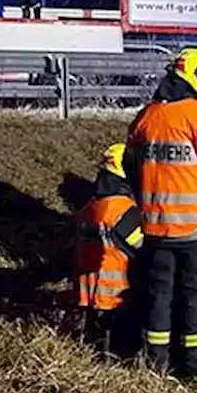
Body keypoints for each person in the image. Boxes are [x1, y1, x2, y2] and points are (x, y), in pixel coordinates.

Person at [123, 47, 197, 377]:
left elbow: (130, 166)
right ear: (196, 82)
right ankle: (193, 370)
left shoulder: (146, 117)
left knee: (159, 296)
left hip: (156, 228)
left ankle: (155, 366)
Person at [73, 143, 143, 356]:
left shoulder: (89, 207)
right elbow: (145, 249)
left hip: (87, 293)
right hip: (117, 295)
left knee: (90, 345)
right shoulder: (123, 210)